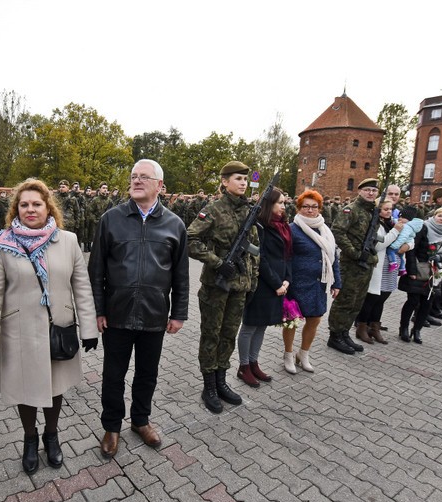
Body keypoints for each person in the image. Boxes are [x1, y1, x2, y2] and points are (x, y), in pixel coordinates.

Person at [0, 179, 98, 474]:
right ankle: (30, 439)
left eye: (37, 204)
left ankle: (51, 435)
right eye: (24, 204)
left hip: (59, 330)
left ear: (48, 208)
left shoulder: (67, 241)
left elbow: (81, 286)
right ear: (16, 209)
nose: (30, 209)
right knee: (25, 389)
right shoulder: (2, 243)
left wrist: (89, 328)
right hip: (19, 333)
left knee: (55, 388)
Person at [89, 159, 188, 457]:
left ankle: (141, 421)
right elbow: (96, 271)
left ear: (159, 185)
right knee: (113, 375)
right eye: (133, 176)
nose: (136, 181)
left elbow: (180, 273)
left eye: (144, 177)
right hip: (117, 313)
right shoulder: (111, 219)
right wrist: (98, 309)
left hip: (154, 315)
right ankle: (112, 427)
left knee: (147, 373)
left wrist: (179, 313)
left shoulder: (174, 224)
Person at [188, 161, 259, 413]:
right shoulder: (214, 209)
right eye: (237, 178)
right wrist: (217, 263)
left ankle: (221, 381)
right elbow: (191, 239)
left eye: (244, 179)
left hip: (240, 286)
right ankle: (208, 385)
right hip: (216, 287)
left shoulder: (249, 210)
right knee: (211, 335)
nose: (242, 183)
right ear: (225, 181)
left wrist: (253, 282)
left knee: (229, 335)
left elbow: (255, 251)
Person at [236, 187, 292, 387]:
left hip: (278, 283)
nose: (284, 206)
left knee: (262, 325)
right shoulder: (260, 226)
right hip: (262, 283)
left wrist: (287, 279)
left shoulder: (283, 225)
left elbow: (287, 255)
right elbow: (261, 257)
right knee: (250, 325)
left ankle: (253, 362)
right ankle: (243, 367)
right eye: (280, 202)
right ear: (269, 204)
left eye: (285, 203)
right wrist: (277, 283)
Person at [284, 190, 341, 372]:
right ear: (299, 208)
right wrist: (285, 281)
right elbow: (284, 258)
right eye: (306, 206)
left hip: (318, 283)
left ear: (319, 208)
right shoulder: (292, 229)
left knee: (315, 319)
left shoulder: (325, 230)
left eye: (314, 207)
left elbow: (333, 258)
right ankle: (288, 355)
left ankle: (304, 353)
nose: (310, 210)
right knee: (291, 320)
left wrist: (336, 282)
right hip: (296, 283)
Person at [326, 178, 380, 355]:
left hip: (366, 264)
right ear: (360, 191)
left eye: (374, 190)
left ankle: (344, 333)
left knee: (357, 301)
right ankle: (335, 336)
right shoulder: (351, 210)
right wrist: (354, 253)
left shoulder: (372, 211)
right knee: (345, 300)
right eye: (367, 190)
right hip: (351, 263)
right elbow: (338, 232)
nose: (371, 193)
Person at [398, 206, 442, 344]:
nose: (441, 219)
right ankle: (404, 328)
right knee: (413, 301)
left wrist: (440, 257)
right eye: (439, 215)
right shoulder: (423, 228)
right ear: (434, 215)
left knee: (427, 302)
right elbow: (412, 250)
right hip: (418, 269)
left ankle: (417, 330)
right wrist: (411, 270)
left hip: (436, 272)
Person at [355, 200, 402, 344]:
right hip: (378, 266)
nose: (389, 211)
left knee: (382, 298)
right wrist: (396, 231)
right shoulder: (376, 224)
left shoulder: (390, 223)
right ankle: (362, 327)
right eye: (385, 209)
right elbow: (380, 245)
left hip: (390, 268)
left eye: (390, 209)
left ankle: (375, 327)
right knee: (372, 299)